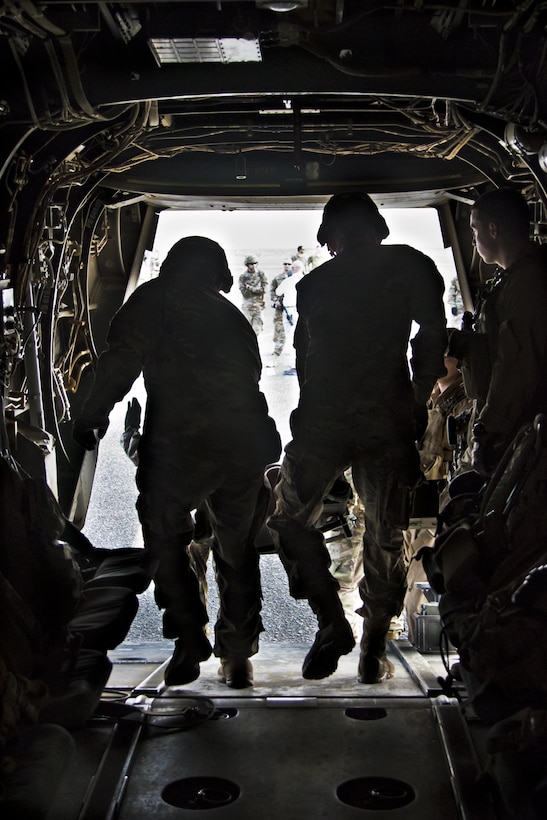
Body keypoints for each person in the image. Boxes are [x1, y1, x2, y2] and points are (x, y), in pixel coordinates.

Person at [73, 236, 281, 689]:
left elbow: (120, 363)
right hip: (244, 445)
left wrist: (90, 416)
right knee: (237, 551)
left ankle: (188, 633)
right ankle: (238, 659)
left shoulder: (154, 299)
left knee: (164, 536)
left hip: (181, 447)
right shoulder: (231, 317)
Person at [267, 192, 447, 684]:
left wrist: (308, 421)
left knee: (287, 519)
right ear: (378, 227)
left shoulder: (314, 285)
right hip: (386, 420)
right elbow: (433, 334)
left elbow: (307, 360)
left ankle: (331, 622)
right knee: (386, 534)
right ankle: (371, 649)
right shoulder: (411, 267)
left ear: (331, 236)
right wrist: (416, 397)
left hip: (324, 420)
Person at [447, 187, 547, 478]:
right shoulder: (510, 278)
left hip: (521, 422)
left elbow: (516, 363)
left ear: (493, 229)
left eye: (475, 230)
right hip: (515, 420)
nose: (474, 240)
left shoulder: (527, 281)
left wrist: (490, 428)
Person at [239, 254, 268, 335]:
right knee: (246, 330)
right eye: (251, 264)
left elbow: (263, 290)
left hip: (258, 306)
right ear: (247, 265)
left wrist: (250, 288)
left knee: (257, 330)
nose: (253, 265)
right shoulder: (243, 277)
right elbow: (245, 294)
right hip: (247, 307)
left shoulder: (261, 275)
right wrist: (256, 290)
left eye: (255, 263)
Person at [269, 261, 292, 358]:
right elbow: (272, 290)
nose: (287, 266)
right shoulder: (278, 278)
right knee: (278, 326)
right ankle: (277, 345)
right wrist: (275, 300)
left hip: (290, 306)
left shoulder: (293, 278)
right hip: (279, 305)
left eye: (289, 264)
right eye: (285, 264)